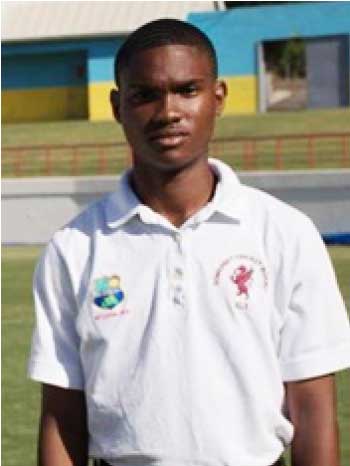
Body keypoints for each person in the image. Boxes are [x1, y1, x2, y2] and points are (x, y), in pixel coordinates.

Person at [28, 18, 350, 466]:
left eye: (187, 90)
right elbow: (62, 416)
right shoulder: (75, 248)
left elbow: (314, 407)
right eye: (145, 95)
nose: (167, 112)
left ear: (217, 98)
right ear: (118, 106)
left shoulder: (284, 233)